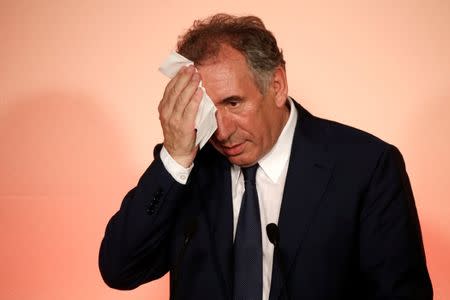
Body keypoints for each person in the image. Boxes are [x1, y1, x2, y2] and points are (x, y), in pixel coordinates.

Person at [99, 13, 432, 300]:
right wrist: (173, 160)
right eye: (206, 110)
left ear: (277, 86)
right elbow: (120, 270)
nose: (222, 131)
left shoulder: (366, 167)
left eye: (233, 103)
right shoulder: (188, 168)